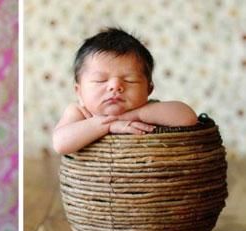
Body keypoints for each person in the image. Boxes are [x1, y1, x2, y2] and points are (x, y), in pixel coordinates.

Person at [53, 28, 198, 155]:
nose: (115, 87)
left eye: (130, 80)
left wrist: (136, 115)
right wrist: (107, 124)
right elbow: (60, 143)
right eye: (100, 80)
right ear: (79, 92)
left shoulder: (148, 109)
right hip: (96, 183)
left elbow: (188, 118)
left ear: (149, 89)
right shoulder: (79, 112)